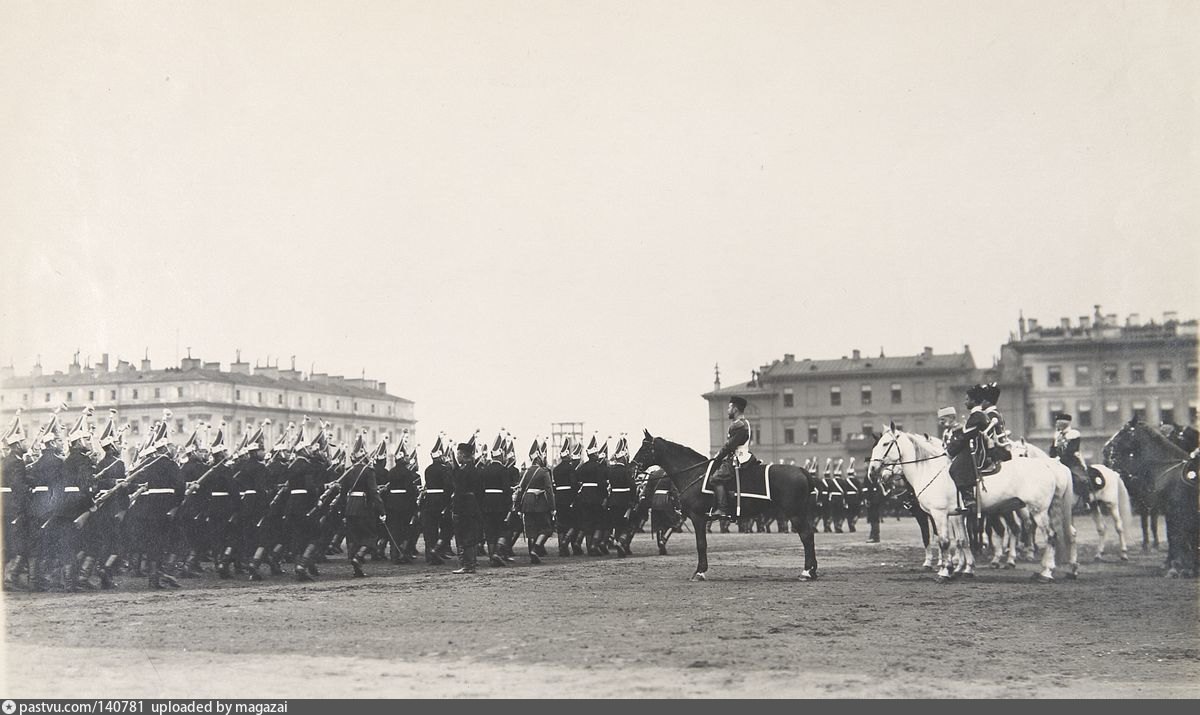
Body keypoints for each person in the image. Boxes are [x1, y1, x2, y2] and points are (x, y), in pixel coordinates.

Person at [709, 396, 751, 519]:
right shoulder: (745, 423)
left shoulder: (738, 425)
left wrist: (717, 456)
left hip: (737, 458)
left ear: (735, 409)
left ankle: (722, 509)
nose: (728, 410)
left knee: (715, 479)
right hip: (742, 456)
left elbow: (729, 446)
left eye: (729, 407)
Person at [450, 441, 484, 574]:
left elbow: (459, 491)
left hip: (464, 506)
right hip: (473, 505)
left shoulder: (464, 471)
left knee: (464, 535)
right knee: (471, 534)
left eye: (458, 454)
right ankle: (471, 562)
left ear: (462, 454)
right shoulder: (474, 469)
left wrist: (456, 510)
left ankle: (467, 565)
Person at [1049, 412, 1090, 500]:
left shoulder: (1074, 434)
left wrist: (1060, 458)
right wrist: (1052, 458)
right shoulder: (1057, 435)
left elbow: (1072, 449)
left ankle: (1086, 501)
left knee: (1081, 479)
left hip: (1072, 462)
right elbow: (1052, 449)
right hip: (1057, 462)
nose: (1056, 424)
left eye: (1058, 422)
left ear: (1064, 423)